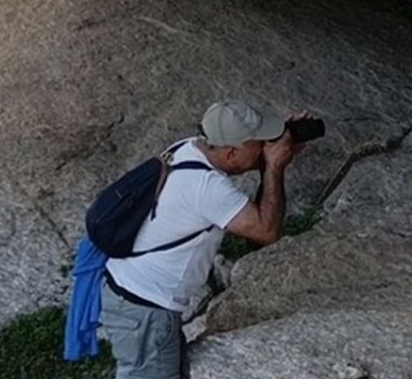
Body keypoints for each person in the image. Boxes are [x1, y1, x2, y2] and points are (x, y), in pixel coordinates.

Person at [100, 99, 312, 378]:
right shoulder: (207, 188)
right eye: (258, 142)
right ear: (232, 154)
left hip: (131, 296)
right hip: (145, 309)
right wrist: (274, 168)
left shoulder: (189, 147)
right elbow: (266, 232)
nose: (265, 147)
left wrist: (273, 149)